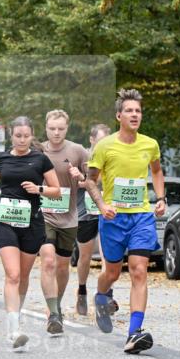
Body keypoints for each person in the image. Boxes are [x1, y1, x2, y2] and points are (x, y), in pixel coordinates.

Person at [87, 88, 165, 354]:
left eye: (138, 111)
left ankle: (134, 333)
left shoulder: (150, 144)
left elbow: (156, 171)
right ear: (119, 116)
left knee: (139, 270)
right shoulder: (105, 146)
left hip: (141, 215)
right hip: (114, 217)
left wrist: (160, 198)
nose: (135, 115)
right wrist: (102, 205)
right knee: (111, 273)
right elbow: (90, 181)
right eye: (129, 111)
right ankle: (101, 297)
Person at [0, 116, 61, 351]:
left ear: (32, 135)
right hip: (6, 221)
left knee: (23, 276)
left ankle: (16, 317)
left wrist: (39, 189)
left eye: (26, 136)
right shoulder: (2, 158)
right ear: (11, 136)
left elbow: (56, 190)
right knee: (12, 275)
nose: (22, 140)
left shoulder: (41, 159)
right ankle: (13, 330)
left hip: (32, 223)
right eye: (18, 136)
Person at [34, 109, 88, 330]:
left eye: (61, 129)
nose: (56, 132)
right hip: (43, 215)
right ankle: (53, 312)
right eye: (52, 128)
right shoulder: (38, 151)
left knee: (63, 266)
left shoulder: (78, 151)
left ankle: (56, 304)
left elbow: (92, 180)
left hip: (68, 217)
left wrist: (81, 177)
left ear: (67, 128)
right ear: (46, 128)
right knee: (48, 260)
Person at [75, 124, 114, 316]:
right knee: (85, 257)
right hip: (86, 213)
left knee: (109, 256)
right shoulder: (83, 158)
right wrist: (84, 181)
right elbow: (76, 181)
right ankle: (82, 290)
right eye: (99, 141)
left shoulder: (113, 156)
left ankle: (106, 296)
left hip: (107, 211)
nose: (103, 145)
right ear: (91, 140)